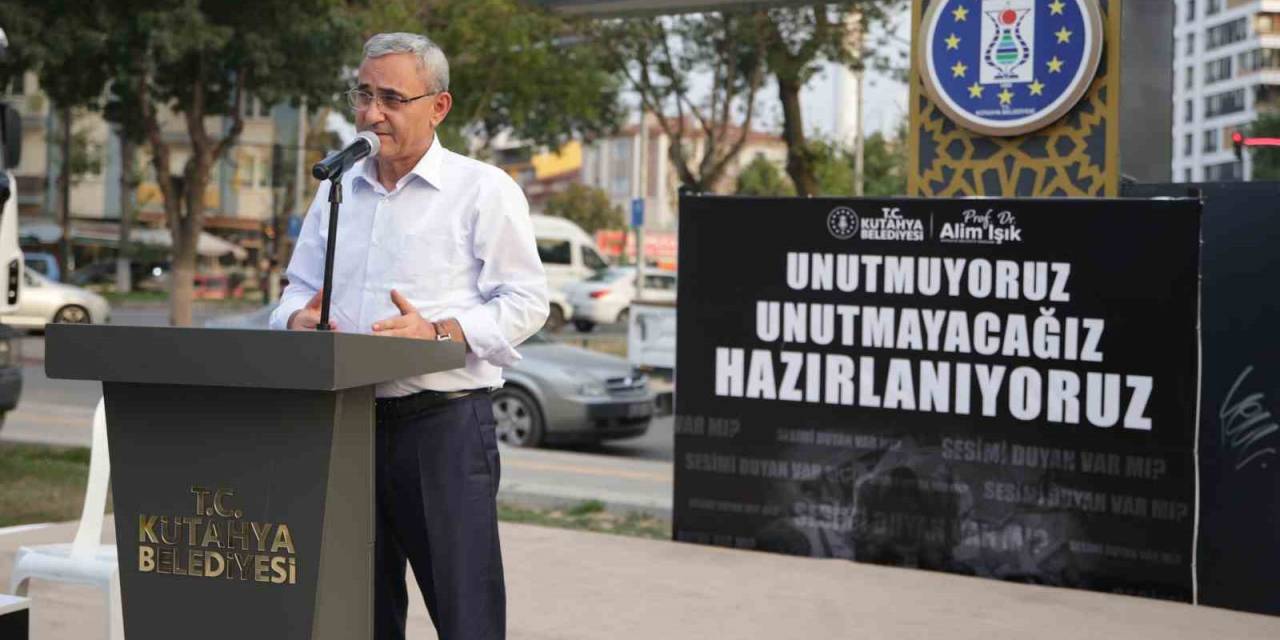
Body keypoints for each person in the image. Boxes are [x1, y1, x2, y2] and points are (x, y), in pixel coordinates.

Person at [269, 32, 548, 640]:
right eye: (363, 94)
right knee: (356, 613)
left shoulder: (483, 189)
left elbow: (528, 301)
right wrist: (296, 317)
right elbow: (294, 290)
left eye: (392, 98)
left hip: (440, 429)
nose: (371, 113)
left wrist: (440, 331)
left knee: (464, 612)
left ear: (437, 106)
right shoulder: (336, 188)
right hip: (342, 424)